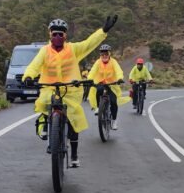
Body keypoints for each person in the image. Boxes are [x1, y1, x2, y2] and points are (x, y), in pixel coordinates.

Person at [23, 16, 117, 167]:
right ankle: (48, 128)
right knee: (45, 102)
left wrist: (103, 31)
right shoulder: (44, 51)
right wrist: (28, 76)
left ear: (65, 36)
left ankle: (74, 154)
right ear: (50, 35)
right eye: (55, 34)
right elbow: (34, 65)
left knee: (74, 119)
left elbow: (89, 43)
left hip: (71, 90)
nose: (58, 37)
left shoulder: (73, 49)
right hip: (50, 87)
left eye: (61, 34)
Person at [87, 44, 131, 130]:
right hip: (100, 83)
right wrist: (89, 79)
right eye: (102, 54)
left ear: (109, 54)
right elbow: (92, 72)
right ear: (100, 55)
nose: (104, 56)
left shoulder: (113, 62)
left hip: (112, 85)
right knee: (99, 90)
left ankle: (114, 121)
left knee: (114, 102)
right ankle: (98, 108)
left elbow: (118, 70)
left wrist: (119, 78)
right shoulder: (97, 62)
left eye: (106, 54)